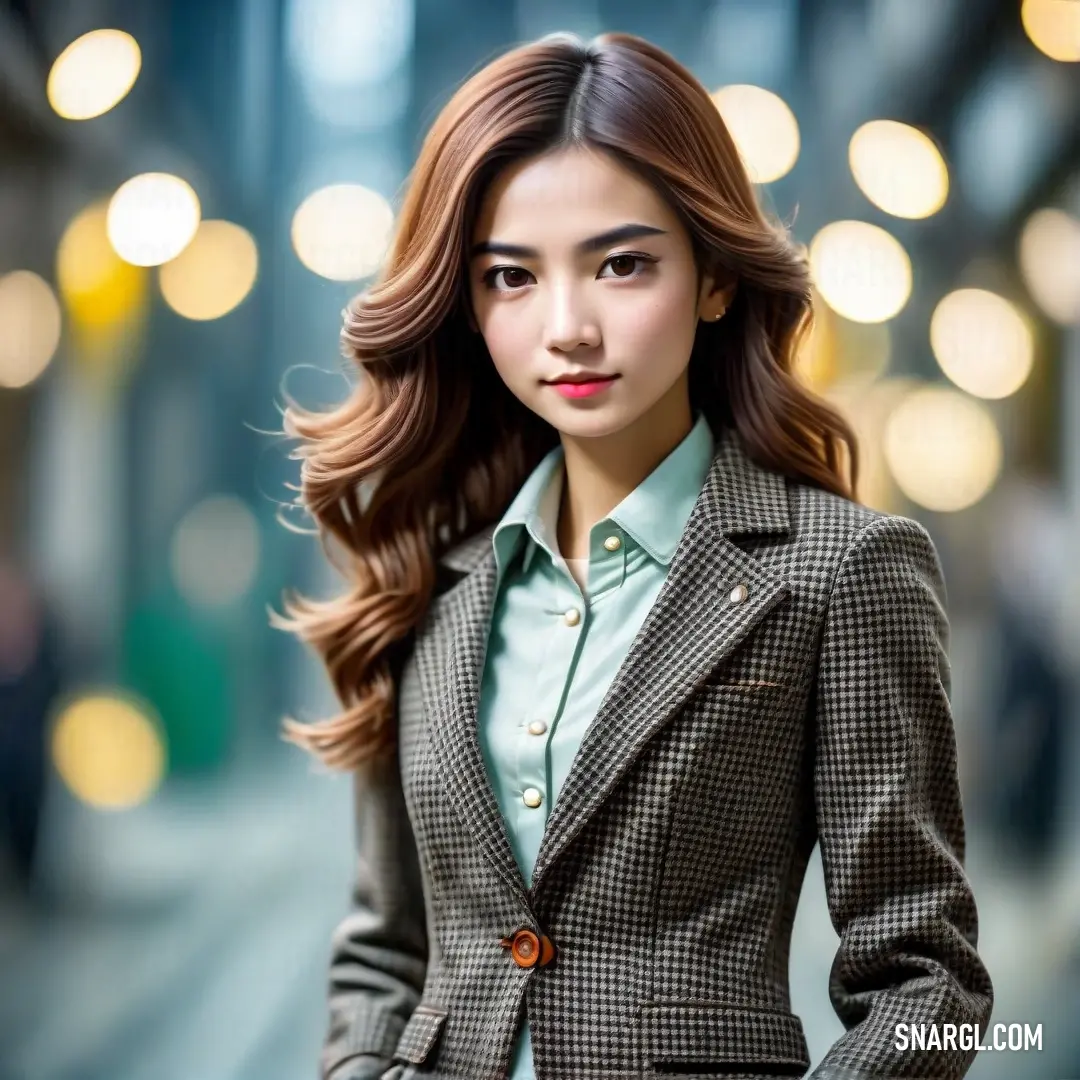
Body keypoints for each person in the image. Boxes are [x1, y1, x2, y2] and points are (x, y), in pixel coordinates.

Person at [273, 31, 993, 1080]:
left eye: (621, 265)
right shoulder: (434, 579)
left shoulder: (841, 572)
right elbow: (386, 953)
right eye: (511, 277)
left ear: (711, 276)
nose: (567, 326)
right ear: (468, 307)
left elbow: (930, 984)